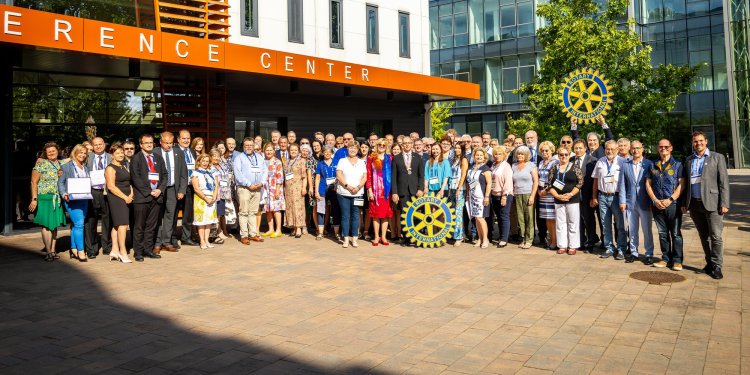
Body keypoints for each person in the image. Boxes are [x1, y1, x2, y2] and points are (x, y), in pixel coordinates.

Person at [682, 131, 730, 279]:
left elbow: (724, 182)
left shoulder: (717, 157)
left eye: (701, 141)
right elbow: (686, 184)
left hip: (713, 204)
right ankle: (709, 263)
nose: (698, 144)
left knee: (715, 236)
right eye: (695, 141)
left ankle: (717, 266)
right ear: (692, 143)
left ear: (706, 141)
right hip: (695, 204)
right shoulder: (689, 160)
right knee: (703, 236)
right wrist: (685, 203)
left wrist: (724, 202)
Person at [646, 139, 685, 268]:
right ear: (657, 148)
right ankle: (665, 258)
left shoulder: (678, 165)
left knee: (675, 233)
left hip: (672, 204)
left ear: (671, 148)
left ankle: (677, 260)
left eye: (666, 147)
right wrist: (655, 200)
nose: (663, 149)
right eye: (661, 147)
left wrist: (671, 199)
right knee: (662, 233)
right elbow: (648, 184)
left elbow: (682, 185)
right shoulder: (653, 165)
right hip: (657, 205)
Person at [130, 134, 166, 262]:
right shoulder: (136, 159)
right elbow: (136, 178)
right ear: (141, 144)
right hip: (142, 198)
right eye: (146, 143)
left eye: (151, 142)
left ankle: (148, 250)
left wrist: (159, 190)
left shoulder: (158, 158)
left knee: (151, 226)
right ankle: (138, 252)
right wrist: (149, 191)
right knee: (139, 226)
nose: (149, 144)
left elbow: (165, 176)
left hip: (157, 197)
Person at [618, 140, 654, 263]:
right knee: (632, 230)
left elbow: (652, 184)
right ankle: (634, 252)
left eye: (638, 148)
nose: (635, 150)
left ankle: (649, 254)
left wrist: (652, 202)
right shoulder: (625, 165)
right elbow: (622, 184)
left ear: (642, 149)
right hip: (630, 202)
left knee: (647, 230)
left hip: (645, 202)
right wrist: (622, 201)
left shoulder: (649, 164)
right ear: (630, 150)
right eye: (633, 148)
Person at [29, 142, 66, 261]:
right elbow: (33, 182)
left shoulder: (62, 164)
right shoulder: (41, 164)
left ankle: (53, 250)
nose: (51, 153)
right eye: (48, 151)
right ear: (45, 153)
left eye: (53, 150)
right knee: (45, 225)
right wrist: (34, 199)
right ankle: (48, 251)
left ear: (58, 151)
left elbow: (73, 157)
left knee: (54, 225)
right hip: (44, 198)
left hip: (57, 198)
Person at [591, 140, 627, 260]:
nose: (609, 151)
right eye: (607, 149)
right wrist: (594, 196)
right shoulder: (600, 161)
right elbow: (595, 180)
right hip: (602, 197)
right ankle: (609, 248)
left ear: (617, 150)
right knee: (605, 225)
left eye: (612, 149)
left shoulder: (623, 162)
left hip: (617, 197)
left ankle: (621, 249)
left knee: (620, 225)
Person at [153, 131, 187, 253]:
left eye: (171, 143)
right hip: (158, 189)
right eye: (166, 143)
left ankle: (166, 242)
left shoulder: (178, 152)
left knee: (170, 215)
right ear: (160, 142)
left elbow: (184, 173)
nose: (169, 145)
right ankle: (157, 243)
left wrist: (182, 189)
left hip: (173, 189)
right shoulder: (154, 152)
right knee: (157, 216)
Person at [548, 147, 583, 255]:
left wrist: (571, 194)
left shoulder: (575, 167)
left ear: (569, 156)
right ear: (558, 156)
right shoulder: (554, 168)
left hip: (572, 199)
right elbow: (550, 185)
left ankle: (573, 246)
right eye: (561, 155)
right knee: (560, 223)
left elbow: (580, 183)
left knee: (573, 222)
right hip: (558, 199)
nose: (563, 157)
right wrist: (558, 196)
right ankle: (562, 245)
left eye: (566, 155)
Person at [59, 144, 91, 262]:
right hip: (72, 200)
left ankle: (73, 248)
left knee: (75, 225)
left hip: (84, 199)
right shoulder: (66, 167)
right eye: (80, 152)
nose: (82, 155)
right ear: (75, 152)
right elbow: (60, 183)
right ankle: (81, 251)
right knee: (79, 225)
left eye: (84, 153)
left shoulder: (85, 166)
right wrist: (64, 194)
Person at [391, 136, 424, 246]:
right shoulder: (396, 158)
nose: (407, 145)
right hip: (402, 191)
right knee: (405, 215)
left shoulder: (418, 157)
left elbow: (421, 176)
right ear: (402, 145)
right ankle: (406, 238)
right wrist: (394, 192)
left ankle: (417, 237)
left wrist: (420, 189)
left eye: (409, 143)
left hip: (415, 191)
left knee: (417, 214)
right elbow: (394, 177)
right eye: (405, 143)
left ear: (412, 144)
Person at [233, 137, 265, 245]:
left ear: (254, 146)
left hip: (257, 188)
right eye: (246, 145)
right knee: (243, 212)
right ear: (243, 146)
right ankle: (244, 235)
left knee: (253, 212)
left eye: (250, 145)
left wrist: (262, 182)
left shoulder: (259, 157)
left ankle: (253, 234)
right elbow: (238, 174)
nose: (248, 147)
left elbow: (265, 170)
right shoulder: (239, 158)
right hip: (244, 188)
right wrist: (249, 184)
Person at [104, 143, 133, 263]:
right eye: (117, 153)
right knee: (122, 225)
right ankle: (123, 252)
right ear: (112, 155)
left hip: (127, 196)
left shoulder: (124, 166)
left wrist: (131, 194)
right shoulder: (110, 168)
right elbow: (111, 186)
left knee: (117, 225)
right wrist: (125, 197)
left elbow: (129, 182)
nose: (121, 155)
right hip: (117, 198)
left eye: (122, 152)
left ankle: (114, 250)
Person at [85, 136, 112, 259]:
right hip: (92, 191)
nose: (98, 146)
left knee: (108, 220)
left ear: (104, 145)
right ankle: (92, 249)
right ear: (92, 146)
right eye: (95, 145)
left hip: (107, 191)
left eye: (100, 144)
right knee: (91, 220)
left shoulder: (111, 157)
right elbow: (72, 161)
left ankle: (107, 247)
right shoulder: (87, 157)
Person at [336, 143, 367, 248]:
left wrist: (358, 187)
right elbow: (339, 175)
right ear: (347, 149)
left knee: (356, 216)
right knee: (345, 216)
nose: (352, 149)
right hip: (344, 193)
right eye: (350, 147)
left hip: (358, 193)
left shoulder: (362, 162)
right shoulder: (342, 161)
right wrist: (347, 186)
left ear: (358, 149)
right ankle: (345, 239)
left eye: (355, 148)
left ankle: (354, 239)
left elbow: (365, 177)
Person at [571, 139, 599, 253]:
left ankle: (590, 242)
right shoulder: (571, 160)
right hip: (574, 196)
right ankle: (581, 242)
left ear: (585, 148)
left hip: (587, 196)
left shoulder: (593, 161)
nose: (578, 150)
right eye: (576, 148)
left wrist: (593, 197)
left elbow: (594, 181)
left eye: (580, 148)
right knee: (577, 220)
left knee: (588, 220)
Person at [366, 139, 393, 246]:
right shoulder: (371, 158)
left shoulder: (390, 158)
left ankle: (384, 236)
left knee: (385, 214)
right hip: (375, 191)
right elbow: (368, 175)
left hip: (387, 191)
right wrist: (369, 190)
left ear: (386, 146)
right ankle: (376, 236)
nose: (381, 146)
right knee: (376, 214)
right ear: (376, 145)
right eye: (379, 144)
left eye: (383, 145)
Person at [512, 146, 539, 249]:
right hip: (517, 194)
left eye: (522, 154)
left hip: (528, 193)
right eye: (518, 153)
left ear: (526, 155)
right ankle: (523, 238)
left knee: (529, 217)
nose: (520, 155)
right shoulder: (514, 166)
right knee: (521, 217)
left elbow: (536, 181)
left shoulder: (531, 165)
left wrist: (532, 196)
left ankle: (529, 239)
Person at [192, 154, 219, 249]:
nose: (205, 163)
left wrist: (214, 196)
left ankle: (207, 240)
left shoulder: (211, 173)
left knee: (209, 221)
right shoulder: (195, 173)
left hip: (211, 198)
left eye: (207, 161)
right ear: (199, 161)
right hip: (201, 199)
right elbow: (196, 188)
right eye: (203, 161)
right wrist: (205, 198)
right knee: (201, 222)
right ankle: (202, 241)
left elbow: (216, 185)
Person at [466, 148, 492, 248]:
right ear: (474, 156)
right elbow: (469, 183)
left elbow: (489, 183)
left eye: (481, 155)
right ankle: (479, 239)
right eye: (477, 155)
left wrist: (486, 197)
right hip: (472, 197)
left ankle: (485, 239)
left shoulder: (486, 168)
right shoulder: (471, 168)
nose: (479, 157)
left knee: (481, 218)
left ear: (484, 157)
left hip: (482, 197)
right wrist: (468, 195)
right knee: (476, 219)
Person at [176, 130, 198, 246]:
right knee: (174, 213)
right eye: (183, 138)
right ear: (178, 139)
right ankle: (172, 238)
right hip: (178, 187)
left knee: (188, 214)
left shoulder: (192, 152)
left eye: (188, 138)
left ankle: (186, 237)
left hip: (190, 187)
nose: (186, 141)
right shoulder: (174, 151)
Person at [314, 145, 341, 240]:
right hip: (322, 189)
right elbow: (317, 178)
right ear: (322, 153)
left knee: (336, 210)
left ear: (332, 153)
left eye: (329, 152)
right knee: (321, 211)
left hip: (334, 190)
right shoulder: (320, 164)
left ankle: (336, 233)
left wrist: (337, 186)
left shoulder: (336, 162)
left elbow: (339, 176)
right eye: (325, 152)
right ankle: (320, 233)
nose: (327, 153)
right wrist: (316, 191)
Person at [537, 141, 559, 250]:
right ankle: (550, 240)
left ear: (552, 150)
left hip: (551, 193)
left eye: (547, 150)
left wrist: (546, 190)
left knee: (553, 219)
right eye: (542, 150)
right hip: (542, 194)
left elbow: (555, 179)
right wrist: (538, 190)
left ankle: (555, 242)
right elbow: (538, 178)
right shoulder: (541, 163)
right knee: (547, 219)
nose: (544, 152)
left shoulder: (555, 162)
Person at [490, 146, 513, 248]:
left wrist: (504, 195)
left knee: (504, 216)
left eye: (500, 154)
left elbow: (508, 182)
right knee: (499, 217)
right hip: (494, 194)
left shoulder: (506, 166)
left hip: (504, 195)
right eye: (495, 154)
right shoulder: (494, 165)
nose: (497, 156)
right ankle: (501, 236)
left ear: (504, 155)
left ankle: (504, 239)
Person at [283, 144, 307, 238]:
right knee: (290, 208)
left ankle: (298, 228)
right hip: (288, 188)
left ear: (298, 151)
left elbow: (304, 176)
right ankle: (292, 227)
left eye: (295, 150)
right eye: (291, 150)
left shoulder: (301, 161)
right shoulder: (286, 162)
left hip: (298, 187)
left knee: (298, 208)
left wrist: (304, 188)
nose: (293, 151)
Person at [262, 142, 285, 238]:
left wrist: (277, 190)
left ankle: (278, 229)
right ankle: (270, 229)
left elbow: (280, 177)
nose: (269, 152)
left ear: (274, 151)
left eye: (270, 150)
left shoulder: (277, 162)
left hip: (275, 188)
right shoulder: (262, 161)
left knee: (276, 209)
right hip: (265, 189)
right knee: (268, 210)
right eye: (267, 150)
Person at [449, 141, 469, 246]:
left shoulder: (464, 160)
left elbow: (463, 175)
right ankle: (461, 233)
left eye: (459, 148)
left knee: (458, 213)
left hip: (460, 189)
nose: (456, 150)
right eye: (455, 148)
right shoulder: (455, 160)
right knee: (453, 212)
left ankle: (459, 237)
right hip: (452, 188)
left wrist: (459, 188)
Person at [210, 148, 232, 243]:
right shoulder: (209, 167)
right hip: (214, 194)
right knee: (215, 214)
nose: (216, 158)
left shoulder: (221, 165)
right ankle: (217, 232)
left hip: (223, 193)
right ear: (210, 157)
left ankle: (220, 230)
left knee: (220, 213)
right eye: (214, 156)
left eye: (218, 156)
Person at [359, 142, 372, 240]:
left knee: (367, 210)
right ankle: (359, 229)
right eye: (362, 147)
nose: (364, 149)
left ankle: (366, 230)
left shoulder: (372, 159)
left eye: (365, 147)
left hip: (369, 188)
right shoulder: (356, 159)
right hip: (359, 188)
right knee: (359, 210)